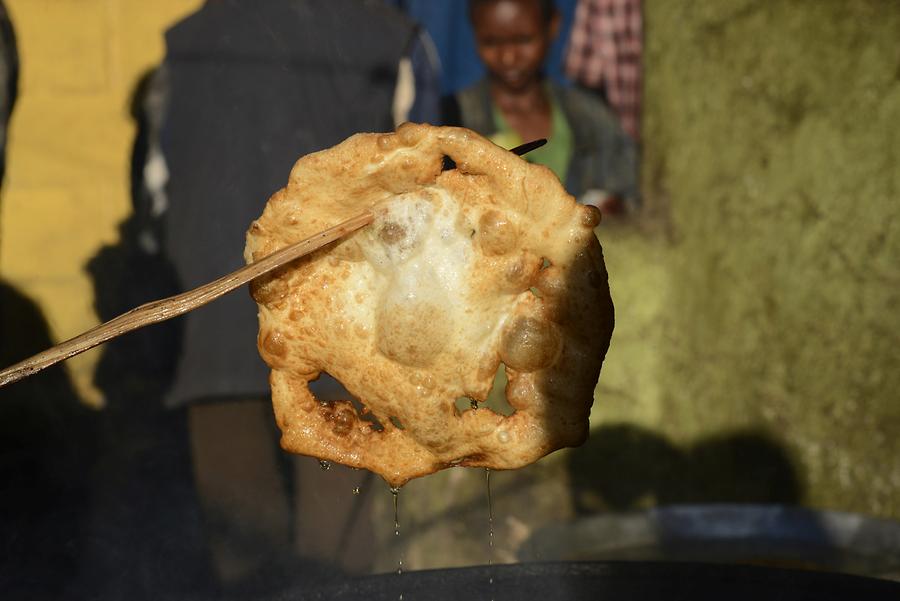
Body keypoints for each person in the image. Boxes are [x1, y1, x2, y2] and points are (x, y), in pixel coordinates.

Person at [444, 0, 637, 213]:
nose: (509, 57)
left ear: (553, 26)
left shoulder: (592, 118)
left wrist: (615, 210)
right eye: (491, 43)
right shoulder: (452, 121)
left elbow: (630, 197)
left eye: (524, 40)